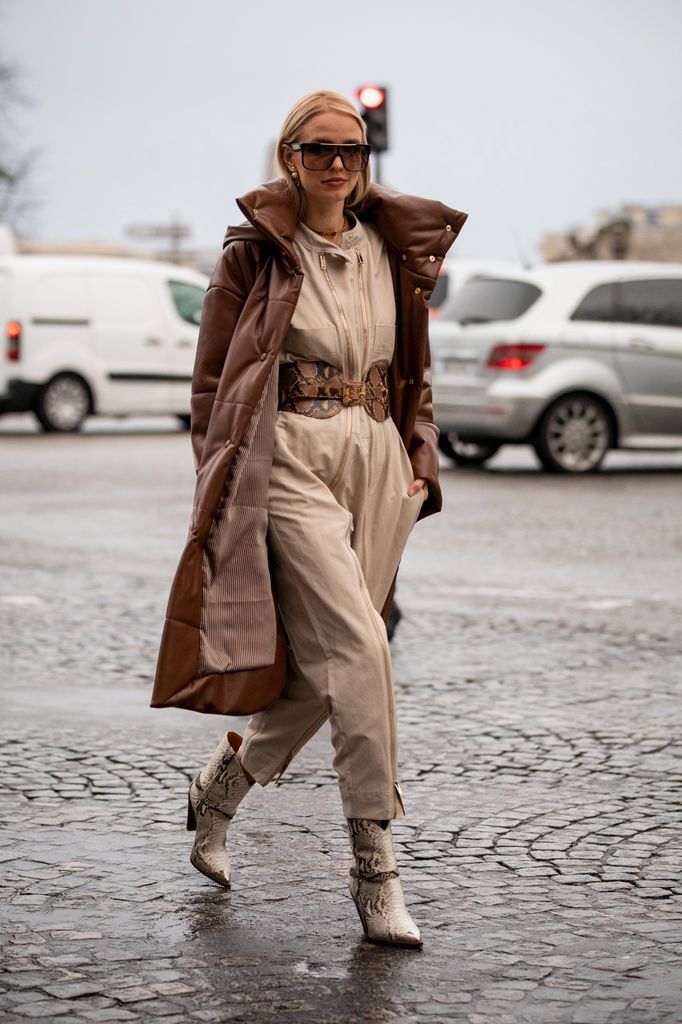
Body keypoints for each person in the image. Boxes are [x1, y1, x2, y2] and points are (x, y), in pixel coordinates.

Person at [150, 90, 467, 948]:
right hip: (289, 455)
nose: (338, 164)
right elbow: (213, 385)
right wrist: (225, 486)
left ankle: (218, 793)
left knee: (326, 672)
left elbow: (414, 373)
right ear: (289, 155)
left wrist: (419, 459)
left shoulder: (393, 250)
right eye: (320, 149)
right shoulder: (254, 254)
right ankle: (376, 870)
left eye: (352, 151)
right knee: (363, 650)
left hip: (377, 460)